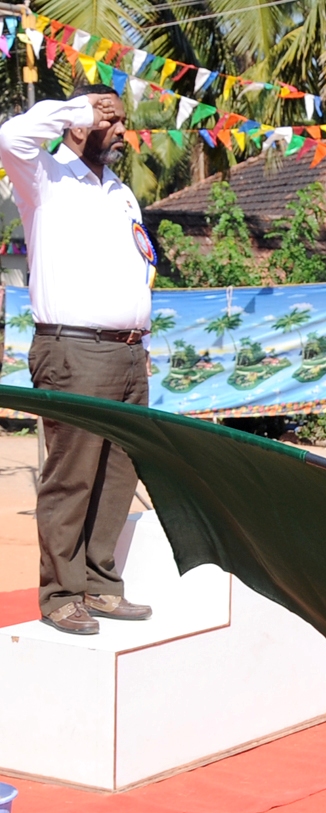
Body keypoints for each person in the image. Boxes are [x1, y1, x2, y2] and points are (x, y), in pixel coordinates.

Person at [0, 85, 155, 635]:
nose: (118, 129)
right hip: (73, 349)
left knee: (118, 474)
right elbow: (8, 136)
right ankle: (61, 592)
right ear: (76, 123)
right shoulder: (43, 176)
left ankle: (100, 583)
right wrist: (78, 108)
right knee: (72, 476)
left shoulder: (119, 192)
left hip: (128, 353)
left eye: (120, 119)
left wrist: (140, 342)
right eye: (105, 119)